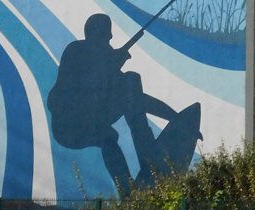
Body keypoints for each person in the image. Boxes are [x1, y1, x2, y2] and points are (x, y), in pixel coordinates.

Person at [47, 13, 183, 196]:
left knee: (130, 81)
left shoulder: (106, 56)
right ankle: (129, 191)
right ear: (94, 34)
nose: (110, 38)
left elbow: (137, 99)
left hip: (91, 116)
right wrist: (111, 66)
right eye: (106, 33)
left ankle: (147, 161)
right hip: (69, 126)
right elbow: (79, 87)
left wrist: (174, 116)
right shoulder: (76, 51)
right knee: (108, 137)